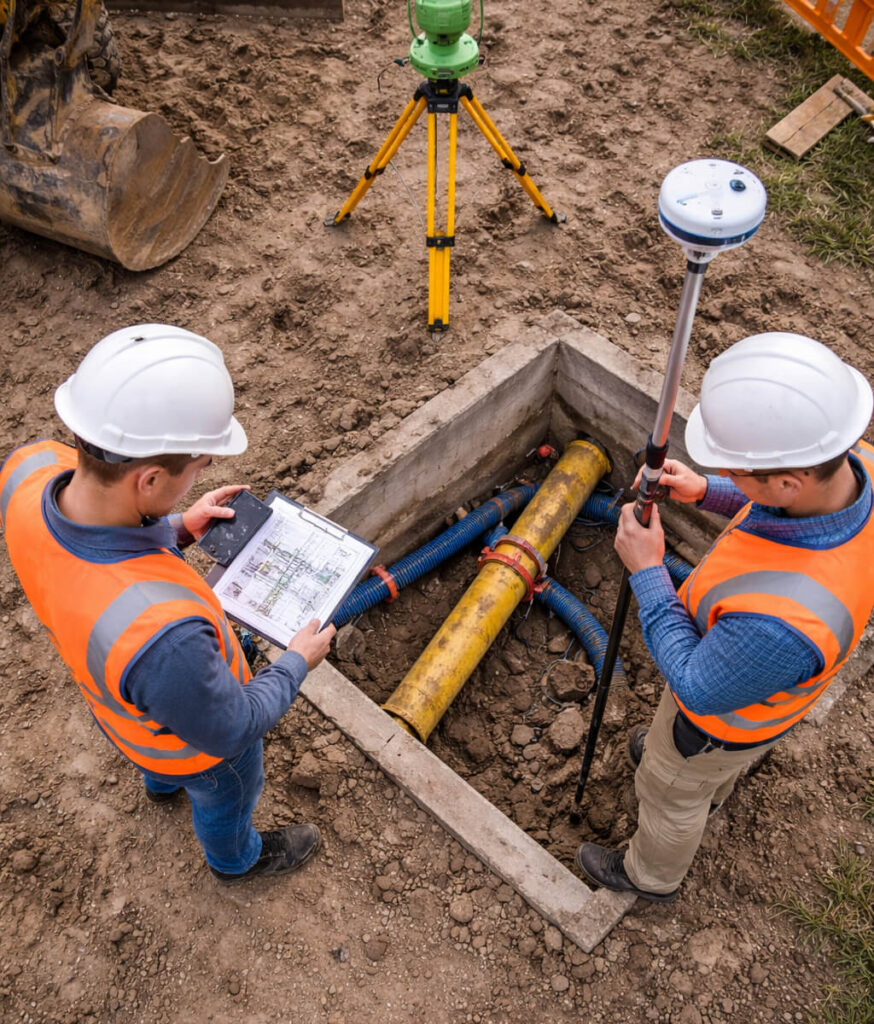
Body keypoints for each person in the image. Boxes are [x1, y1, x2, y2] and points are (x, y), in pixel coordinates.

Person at [0, 324, 336, 884]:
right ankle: (236, 860)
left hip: (123, 713)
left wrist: (178, 525)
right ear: (150, 478)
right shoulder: (166, 638)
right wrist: (296, 660)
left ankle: (159, 782)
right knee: (226, 796)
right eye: (197, 467)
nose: (202, 473)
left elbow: (90, 536)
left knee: (157, 740)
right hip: (199, 750)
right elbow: (232, 728)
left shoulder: (28, 469)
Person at [576, 332, 874, 902]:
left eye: (736, 471)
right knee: (686, 767)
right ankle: (700, 778)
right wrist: (705, 491)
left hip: (717, 726)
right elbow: (782, 504)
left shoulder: (781, 622)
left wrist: (647, 571)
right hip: (761, 694)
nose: (731, 477)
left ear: (787, 481)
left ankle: (650, 877)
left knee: (670, 795)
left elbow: (694, 682)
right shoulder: (853, 469)